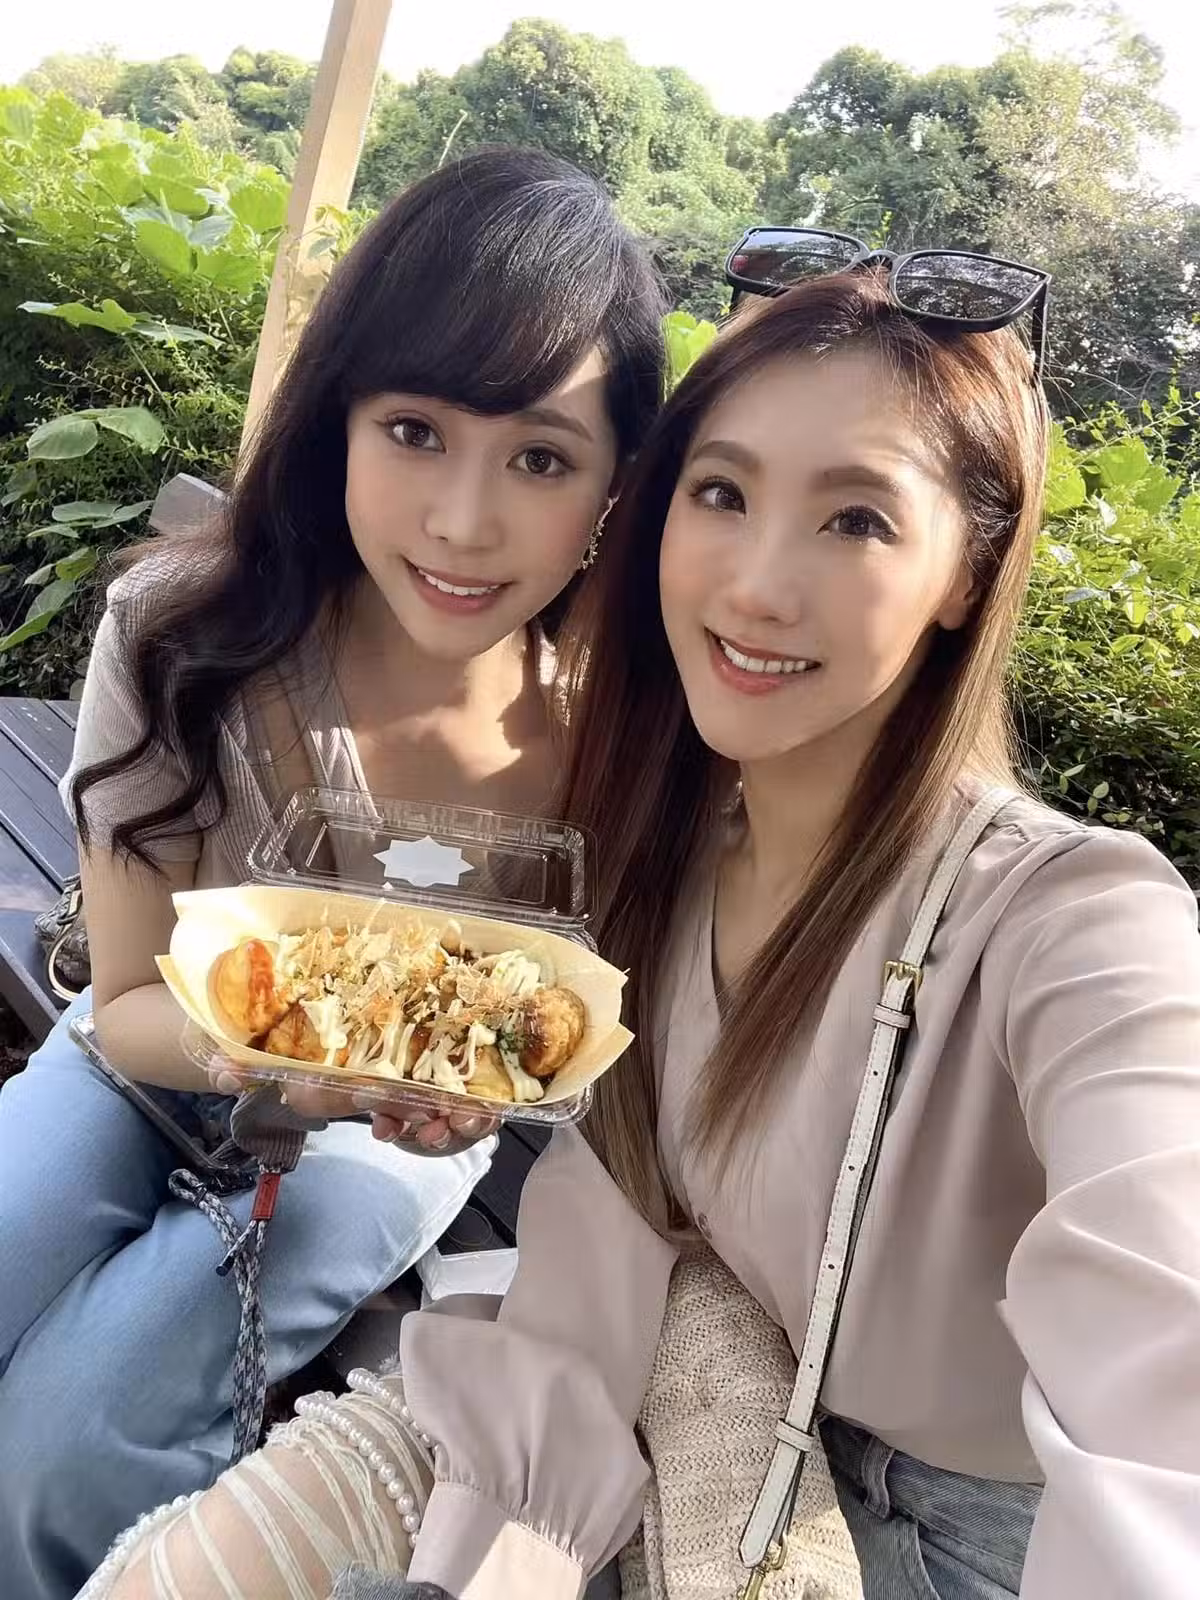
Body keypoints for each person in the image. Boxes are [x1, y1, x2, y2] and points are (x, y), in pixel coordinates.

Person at [92, 264, 1199, 1600]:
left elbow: (1166, 1345)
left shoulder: (1075, 920)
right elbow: (606, 1210)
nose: (758, 586)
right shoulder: (665, 861)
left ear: (967, 569)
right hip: (668, 1393)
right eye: (722, 494)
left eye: (855, 519)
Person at [0, 146, 666, 1600]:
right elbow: (126, 1002)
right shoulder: (185, 641)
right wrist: (306, 1066)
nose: (465, 520)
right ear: (340, 421)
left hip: (387, 1146)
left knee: (59, 1451)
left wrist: (424, 1092)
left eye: (541, 459)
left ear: (616, 487)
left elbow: (552, 1038)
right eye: (415, 431)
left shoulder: (616, 732)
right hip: (145, 1062)